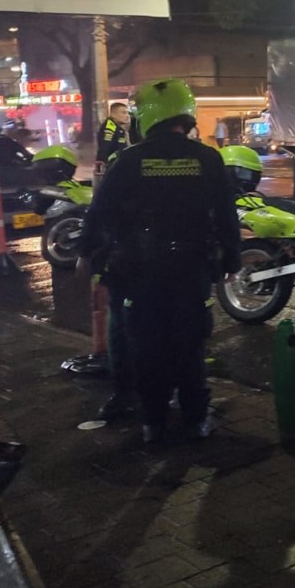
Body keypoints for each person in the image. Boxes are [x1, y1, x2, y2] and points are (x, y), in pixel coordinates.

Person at [80, 78, 240, 444]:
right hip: (192, 269)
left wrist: (90, 258)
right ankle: (196, 420)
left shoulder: (129, 160)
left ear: (145, 118)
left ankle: (153, 423)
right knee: (190, 345)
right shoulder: (208, 159)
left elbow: (100, 214)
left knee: (147, 346)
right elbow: (226, 216)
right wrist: (231, 259)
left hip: (141, 270)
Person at [96, 101, 129, 169]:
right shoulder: (110, 128)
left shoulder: (117, 128)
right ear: (113, 114)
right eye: (123, 113)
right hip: (111, 166)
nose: (127, 116)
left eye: (127, 113)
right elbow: (105, 149)